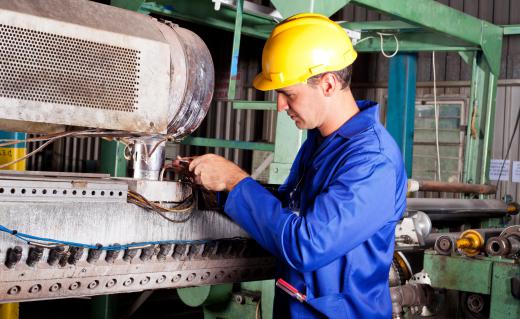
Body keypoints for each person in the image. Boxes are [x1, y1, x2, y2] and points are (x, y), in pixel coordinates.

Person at [187, 13, 407, 318]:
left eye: (288, 93)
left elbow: (307, 244)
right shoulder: (320, 143)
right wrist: (220, 188)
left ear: (328, 84)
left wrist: (236, 182)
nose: (280, 105)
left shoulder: (371, 161)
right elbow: (289, 210)